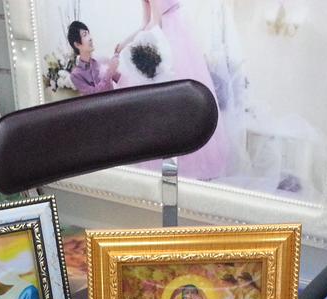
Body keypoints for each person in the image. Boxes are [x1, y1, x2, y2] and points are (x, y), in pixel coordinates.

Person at [115, 0, 230, 180]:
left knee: (178, 98)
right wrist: (126, 42)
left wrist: (134, 45)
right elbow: (146, 23)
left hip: (171, 39)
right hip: (168, 35)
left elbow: (156, 23)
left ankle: (188, 161)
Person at [67, 21, 120, 95]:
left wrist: (117, 54)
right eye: (85, 35)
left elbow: (121, 80)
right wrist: (110, 71)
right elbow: (94, 96)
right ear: (77, 44)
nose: (90, 38)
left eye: (88, 33)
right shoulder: (76, 75)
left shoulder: (103, 60)